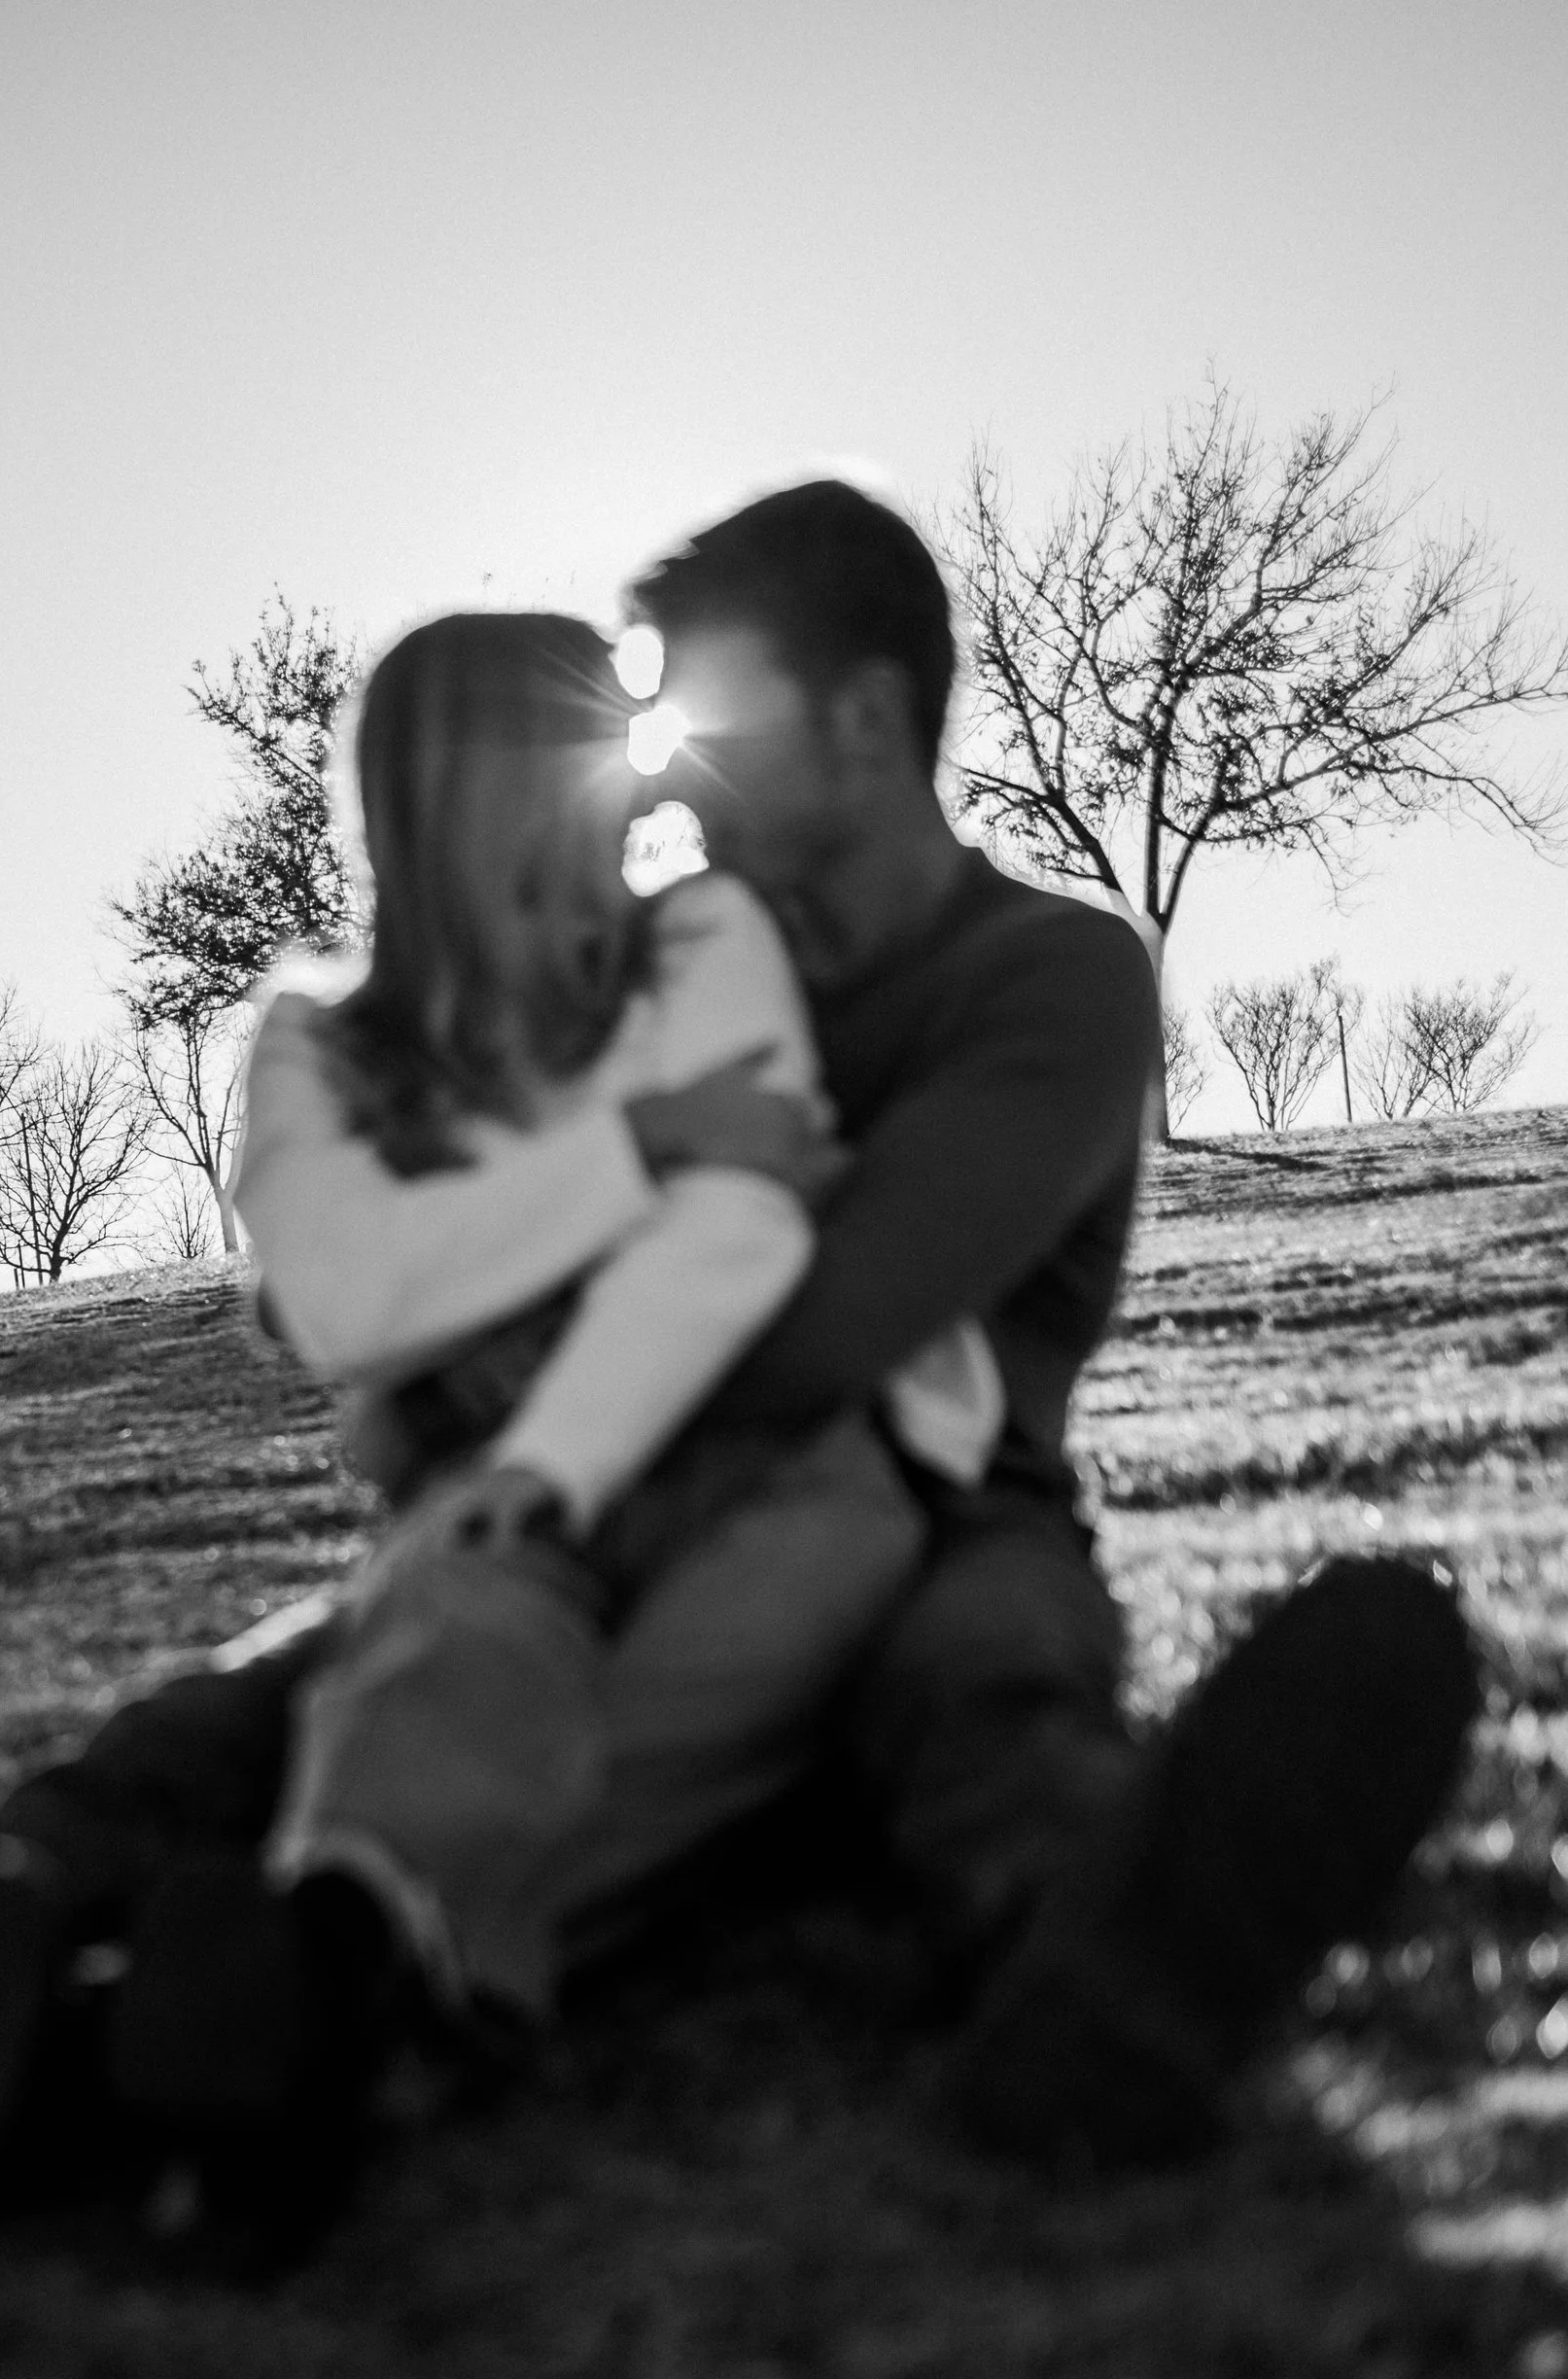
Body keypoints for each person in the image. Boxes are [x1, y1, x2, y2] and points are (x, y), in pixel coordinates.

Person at [0, 480, 1479, 2263]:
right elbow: (409, 1239)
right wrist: (435, 1356)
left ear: (867, 725)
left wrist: (457, 1373)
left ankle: (1080, 1976)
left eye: (709, 718)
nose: (665, 774)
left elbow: (831, 1310)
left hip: (913, 1505)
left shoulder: (1045, 976)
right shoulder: (688, 956)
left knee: (982, 1705)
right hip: (559, 1512)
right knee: (186, 1756)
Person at [229, 608, 1004, 2042]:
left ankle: (318, 1978)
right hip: (491, 1488)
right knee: (457, 1646)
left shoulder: (701, 940)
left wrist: (558, 1456)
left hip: (777, 1459)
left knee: (672, 1712)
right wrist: (644, 1142)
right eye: (582, 757)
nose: (635, 794)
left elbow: (746, 1220)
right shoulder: (313, 1046)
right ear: (455, 793)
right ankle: (362, 1992)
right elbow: (346, 1296)